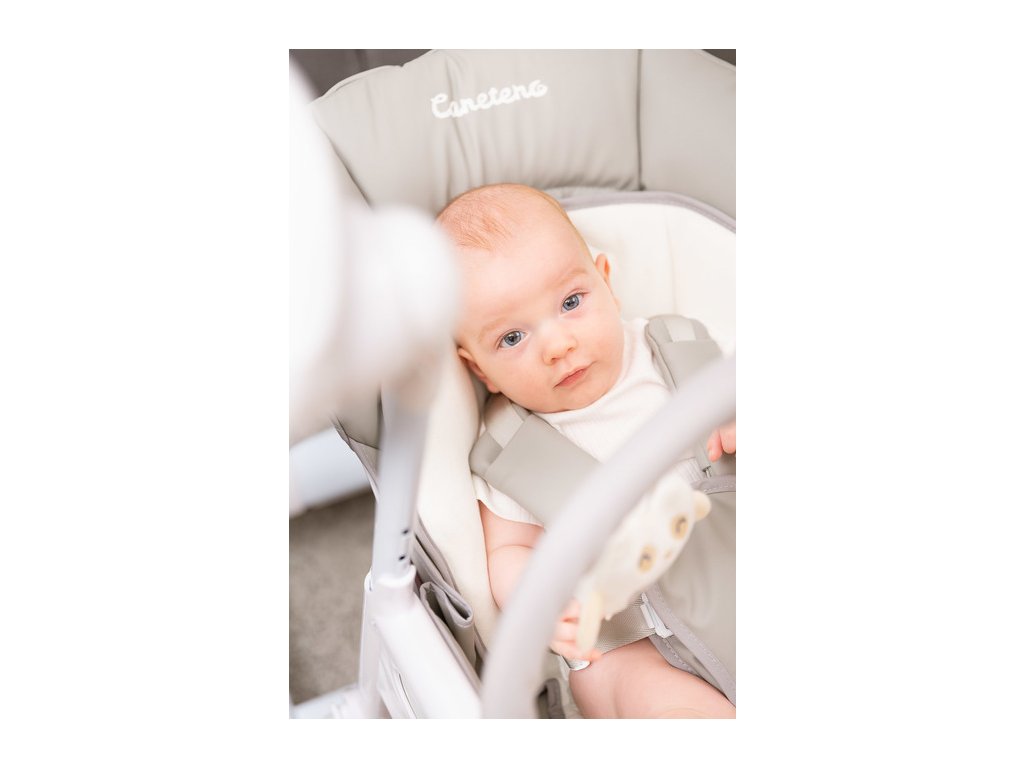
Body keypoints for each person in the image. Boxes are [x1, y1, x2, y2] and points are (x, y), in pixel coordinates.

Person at [437, 183, 735, 719]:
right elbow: (508, 551)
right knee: (624, 684)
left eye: (571, 303)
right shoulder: (514, 448)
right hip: (637, 639)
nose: (558, 346)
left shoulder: (680, 347)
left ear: (606, 283)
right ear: (480, 369)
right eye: (512, 338)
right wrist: (542, 604)